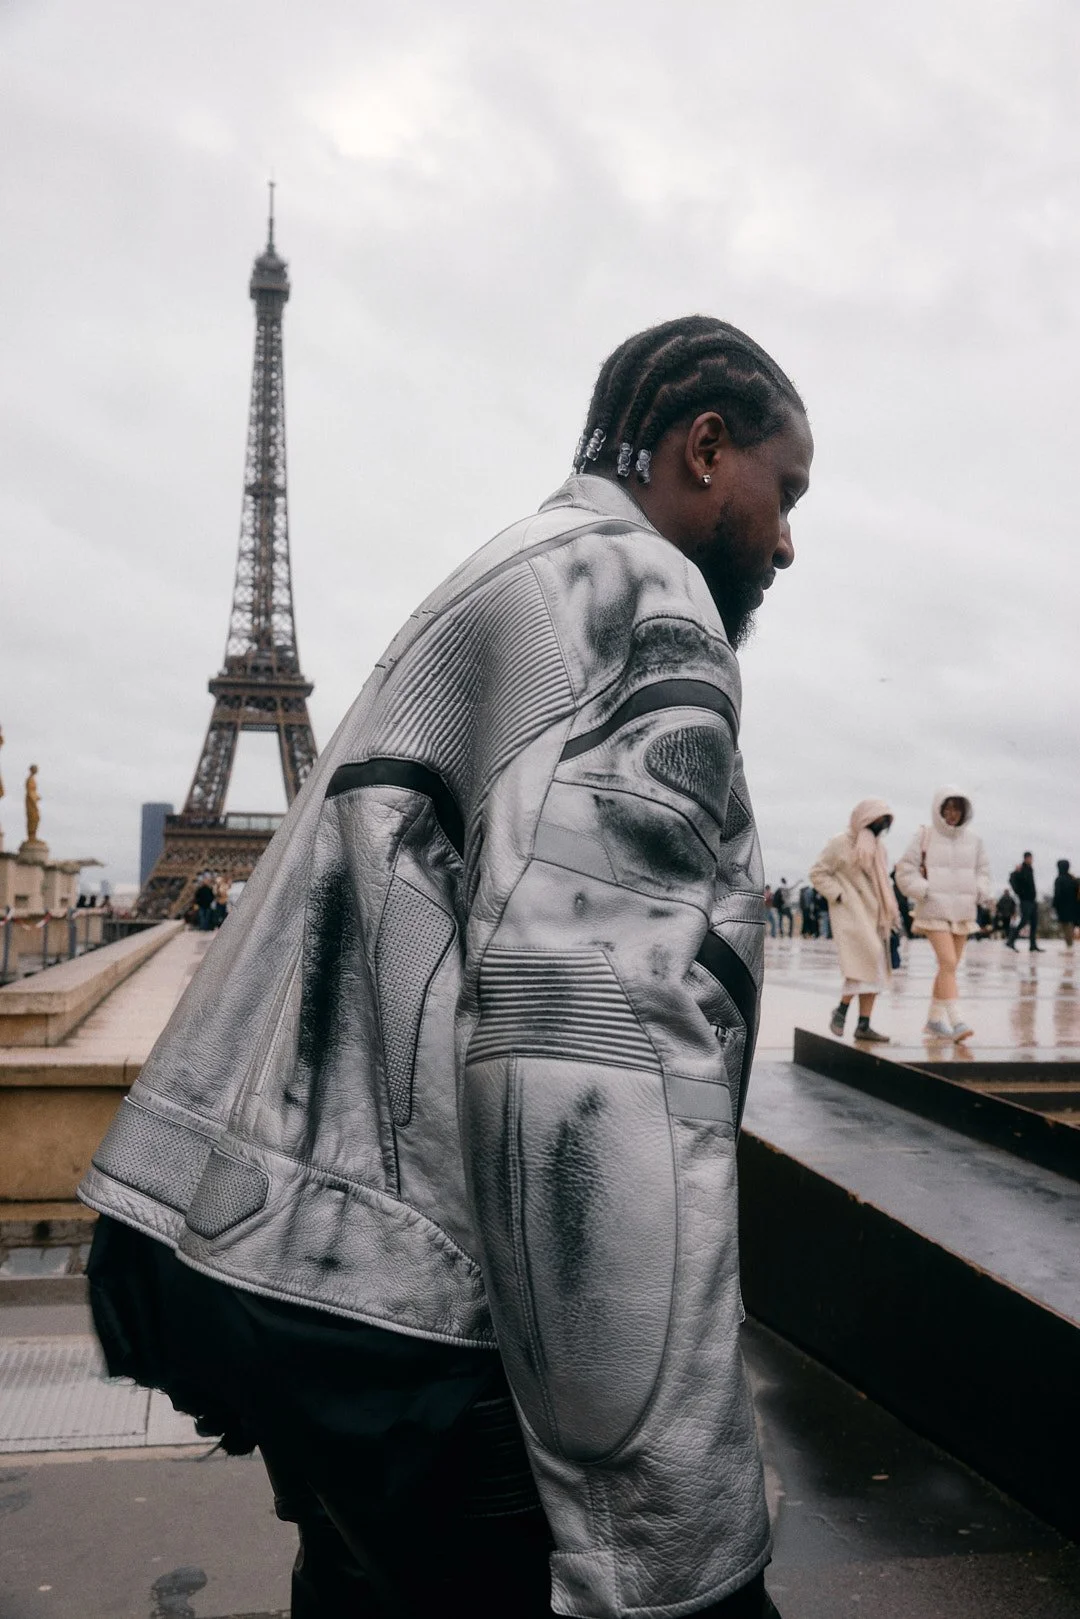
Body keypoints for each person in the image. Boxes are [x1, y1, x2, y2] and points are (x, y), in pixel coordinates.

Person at [80, 316, 811, 1619]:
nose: (789, 540)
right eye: (784, 490)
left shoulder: (500, 575)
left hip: (317, 1304)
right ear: (707, 449)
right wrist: (671, 1511)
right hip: (465, 1337)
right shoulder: (639, 594)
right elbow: (592, 1049)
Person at [895, 789, 992, 1042]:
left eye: (956, 809)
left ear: (964, 811)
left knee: (949, 967)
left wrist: (980, 890)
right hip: (934, 909)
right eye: (947, 808)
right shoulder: (924, 834)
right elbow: (904, 870)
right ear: (938, 809)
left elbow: (983, 870)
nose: (951, 814)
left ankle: (934, 1020)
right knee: (948, 962)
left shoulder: (975, 840)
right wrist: (924, 890)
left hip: (962, 913)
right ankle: (957, 1019)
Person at [809, 799, 899, 1043]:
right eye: (877, 821)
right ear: (863, 818)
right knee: (864, 963)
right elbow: (817, 872)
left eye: (885, 822)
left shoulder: (879, 849)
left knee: (875, 969)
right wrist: (839, 895)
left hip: (876, 916)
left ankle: (863, 1024)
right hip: (853, 913)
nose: (880, 827)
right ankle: (841, 1010)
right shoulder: (840, 842)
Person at [1007, 851, 1043, 952]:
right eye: (1030, 858)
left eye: (1032, 858)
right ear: (1025, 858)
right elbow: (1012, 879)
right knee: (1024, 921)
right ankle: (1010, 941)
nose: (1031, 860)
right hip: (1025, 900)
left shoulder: (1030, 869)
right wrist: (1020, 893)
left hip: (1032, 900)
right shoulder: (1021, 868)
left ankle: (1033, 945)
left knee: (1034, 922)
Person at [1053, 859, 1079, 948]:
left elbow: (1057, 894)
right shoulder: (1072, 878)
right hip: (1073, 906)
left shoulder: (1059, 879)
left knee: (1066, 925)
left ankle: (1069, 945)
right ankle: (1069, 944)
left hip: (1063, 907)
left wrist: (1055, 904)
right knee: (1069, 925)